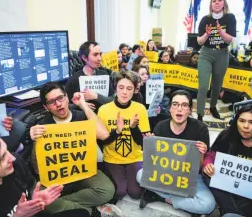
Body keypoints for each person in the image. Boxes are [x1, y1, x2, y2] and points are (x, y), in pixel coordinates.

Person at [28, 82, 121, 216]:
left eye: (60, 98)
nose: (58, 104)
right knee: (41, 202)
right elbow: (37, 168)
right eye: (52, 102)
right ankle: (91, 211)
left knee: (107, 190)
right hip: (57, 177)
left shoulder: (81, 116)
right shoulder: (42, 126)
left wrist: (83, 105)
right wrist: (35, 141)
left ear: (67, 97)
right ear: (46, 107)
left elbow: (104, 135)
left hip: (83, 173)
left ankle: (74, 208)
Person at [0, 132, 74, 217]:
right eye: (2, 158)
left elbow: (30, 186)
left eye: (7, 151)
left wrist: (35, 200)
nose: (12, 158)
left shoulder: (16, 164)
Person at [136, 90, 216, 215]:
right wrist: (150, 146)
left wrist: (202, 153)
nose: (179, 109)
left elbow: (199, 168)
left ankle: (163, 197)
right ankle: (185, 202)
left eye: (184, 105)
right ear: (170, 109)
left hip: (190, 177)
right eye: (175, 104)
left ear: (190, 110)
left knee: (208, 205)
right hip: (165, 173)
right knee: (140, 175)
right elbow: (154, 162)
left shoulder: (201, 128)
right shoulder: (160, 127)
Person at [203, 104, 252, 216]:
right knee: (207, 177)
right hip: (225, 189)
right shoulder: (226, 136)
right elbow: (210, 155)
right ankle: (231, 211)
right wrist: (208, 165)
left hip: (251, 195)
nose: (245, 126)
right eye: (241, 121)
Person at [98, 70, 151, 200]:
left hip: (135, 157)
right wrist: (117, 131)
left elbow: (142, 143)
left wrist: (133, 128)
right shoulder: (104, 110)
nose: (125, 92)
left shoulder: (140, 109)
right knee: (119, 192)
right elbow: (102, 142)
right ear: (116, 87)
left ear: (135, 90)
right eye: (121, 87)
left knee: (136, 193)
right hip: (112, 159)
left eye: (129, 88)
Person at [196, 0, 237, 121]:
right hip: (206, 53)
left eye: (220, 0)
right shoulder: (205, 19)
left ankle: (213, 107)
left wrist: (221, 32)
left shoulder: (229, 18)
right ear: (211, 4)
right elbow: (199, 41)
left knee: (216, 85)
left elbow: (230, 40)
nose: (217, 2)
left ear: (224, 3)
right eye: (214, 1)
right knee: (203, 86)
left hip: (222, 54)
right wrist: (207, 34)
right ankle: (200, 115)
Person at [64, 41, 114, 110]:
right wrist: (80, 105)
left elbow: (113, 100)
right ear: (84, 58)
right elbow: (66, 106)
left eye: (100, 54)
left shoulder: (104, 75)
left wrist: (96, 96)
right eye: (95, 55)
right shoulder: (73, 80)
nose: (100, 58)